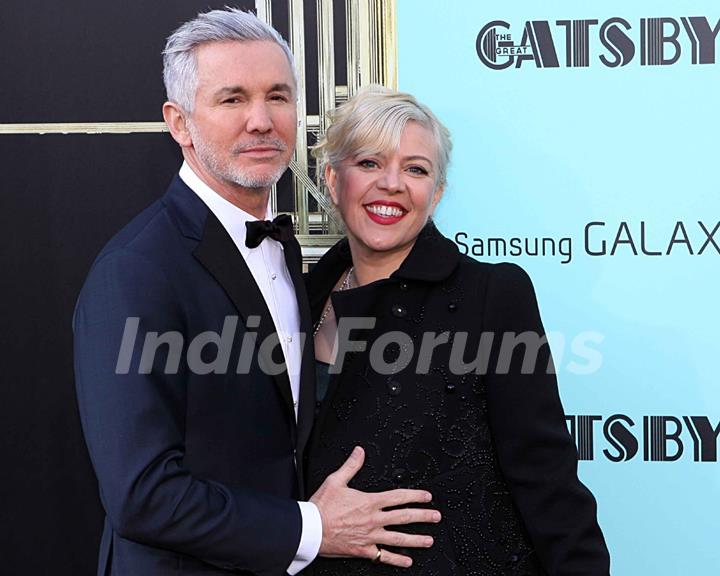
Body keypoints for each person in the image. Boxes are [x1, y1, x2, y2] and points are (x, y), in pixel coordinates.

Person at [73, 10, 439, 576]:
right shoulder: (137, 271)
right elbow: (142, 494)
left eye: (278, 96)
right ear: (180, 123)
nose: (262, 121)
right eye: (232, 99)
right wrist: (315, 529)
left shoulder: (286, 253)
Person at [304, 86, 611, 574]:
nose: (391, 183)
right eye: (368, 163)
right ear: (333, 177)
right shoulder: (295, 300)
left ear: (437, 193)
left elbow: (546, 477)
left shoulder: (491, 296)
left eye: (416, 169)